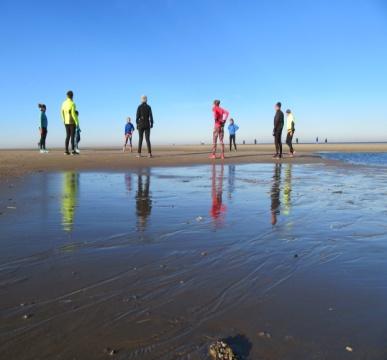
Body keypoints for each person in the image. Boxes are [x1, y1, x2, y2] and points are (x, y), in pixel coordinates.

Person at [61, 90, 79, 155]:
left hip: (66, 121)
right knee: (72, 136)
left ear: (67, 96)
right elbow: (73, 114)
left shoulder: (63, 103)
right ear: (72, 96)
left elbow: (61, 112)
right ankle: (73, 151)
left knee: (67, 136)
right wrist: (77, 123)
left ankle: (66, 151)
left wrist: (63, 120)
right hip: (72, 121)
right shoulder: (72, 103)